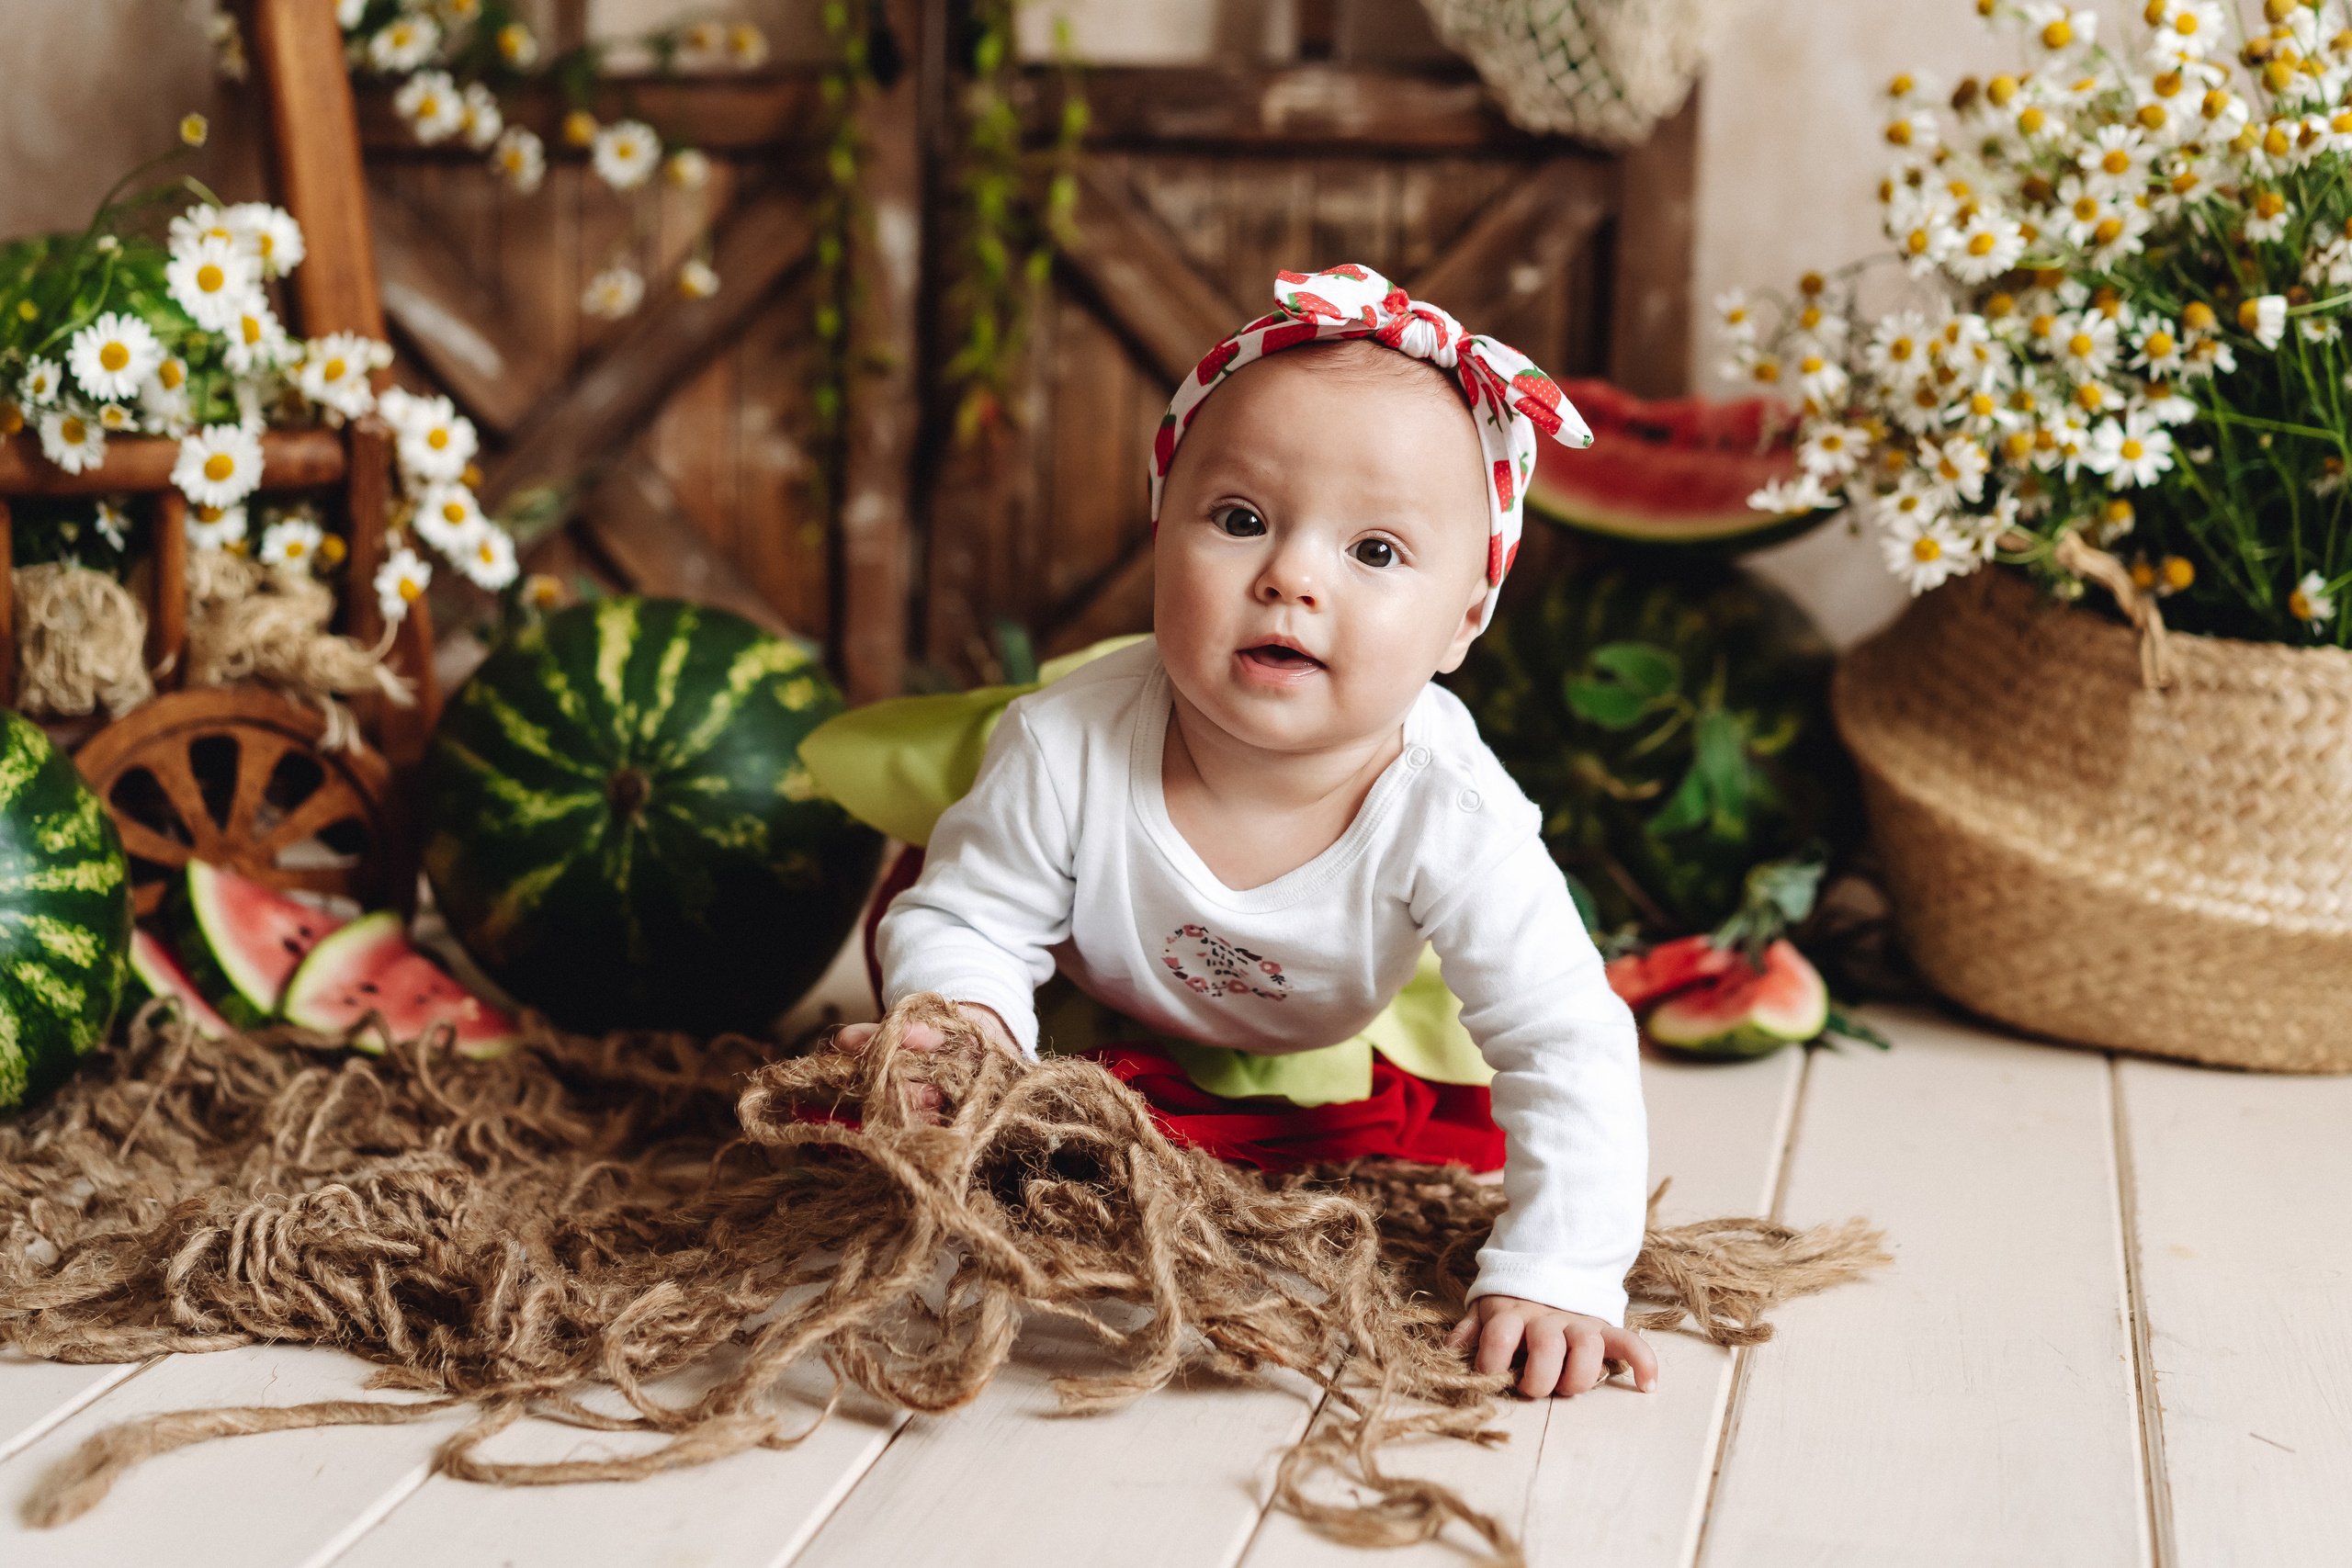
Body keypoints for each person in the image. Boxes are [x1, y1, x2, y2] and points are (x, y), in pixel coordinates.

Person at [829, 264, 1657, 1401]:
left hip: (1333, 1004)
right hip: (1094, 964)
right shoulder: (1065, 744)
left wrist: (1563, 1269)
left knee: (1419, 1097)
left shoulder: (1453, 815)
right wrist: (966, 1033)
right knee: (930, 950)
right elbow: (973, 920)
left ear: (1465, 619)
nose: (1289, 577)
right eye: (1239, 520)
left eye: (1374, 551)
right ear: (1161, 532)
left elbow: (1565, 1035)